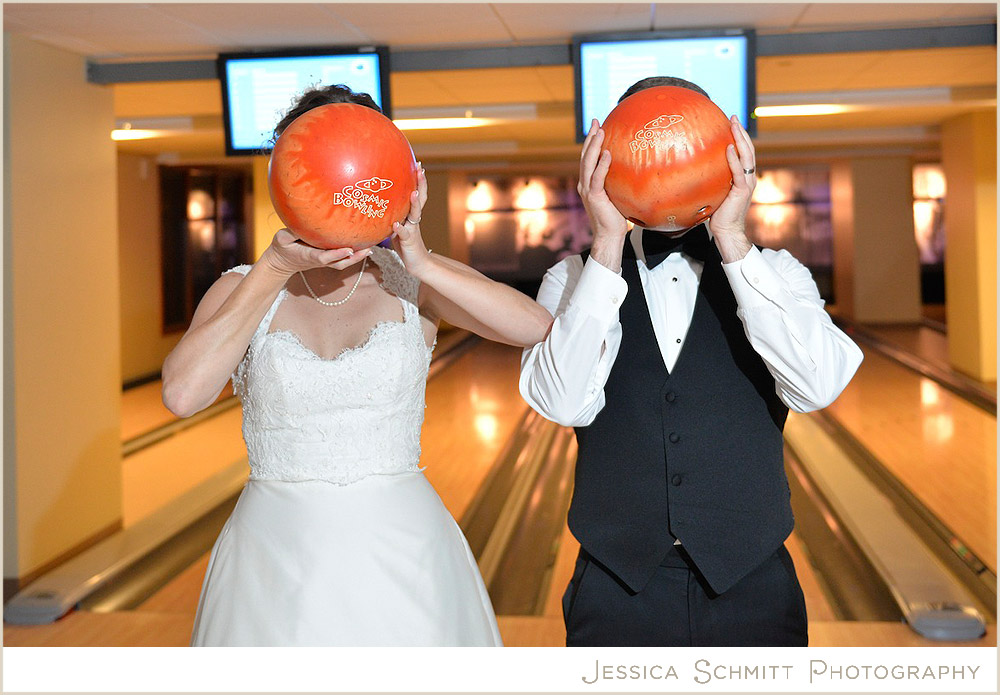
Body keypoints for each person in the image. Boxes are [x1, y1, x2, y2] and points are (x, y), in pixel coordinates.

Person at [162, 85, 553, 647]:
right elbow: (181, 394)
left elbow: (535, 327)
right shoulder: (241, 287)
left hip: (406, 551)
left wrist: (419, 255)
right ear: (288, 182)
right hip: (273, 559)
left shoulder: (413, 282)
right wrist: (272, 267)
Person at [519, 76, 863, 647]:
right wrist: (605, 244)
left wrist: (731, 237)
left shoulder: (776, 273)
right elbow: (563, 403)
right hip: (613, 584)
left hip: (751, 583)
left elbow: (817, 386)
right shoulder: (573, 278)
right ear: (600, 167)